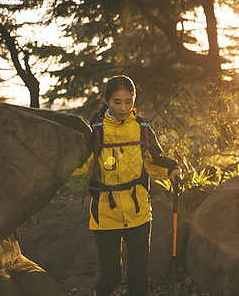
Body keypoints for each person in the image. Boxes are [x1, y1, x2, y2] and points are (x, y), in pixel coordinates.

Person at [72, 75, 181, 296]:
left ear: (134, 100)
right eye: (117, 102)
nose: (123, 107)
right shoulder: (96, 129)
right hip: (105, 212)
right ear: (106, 101)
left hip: (138, 211)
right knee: (111, 276)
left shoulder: (141, 126)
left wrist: (172, 170)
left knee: (139, 278)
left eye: (128, 101)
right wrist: (60, 168)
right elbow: (81, 165)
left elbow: (152, 160)